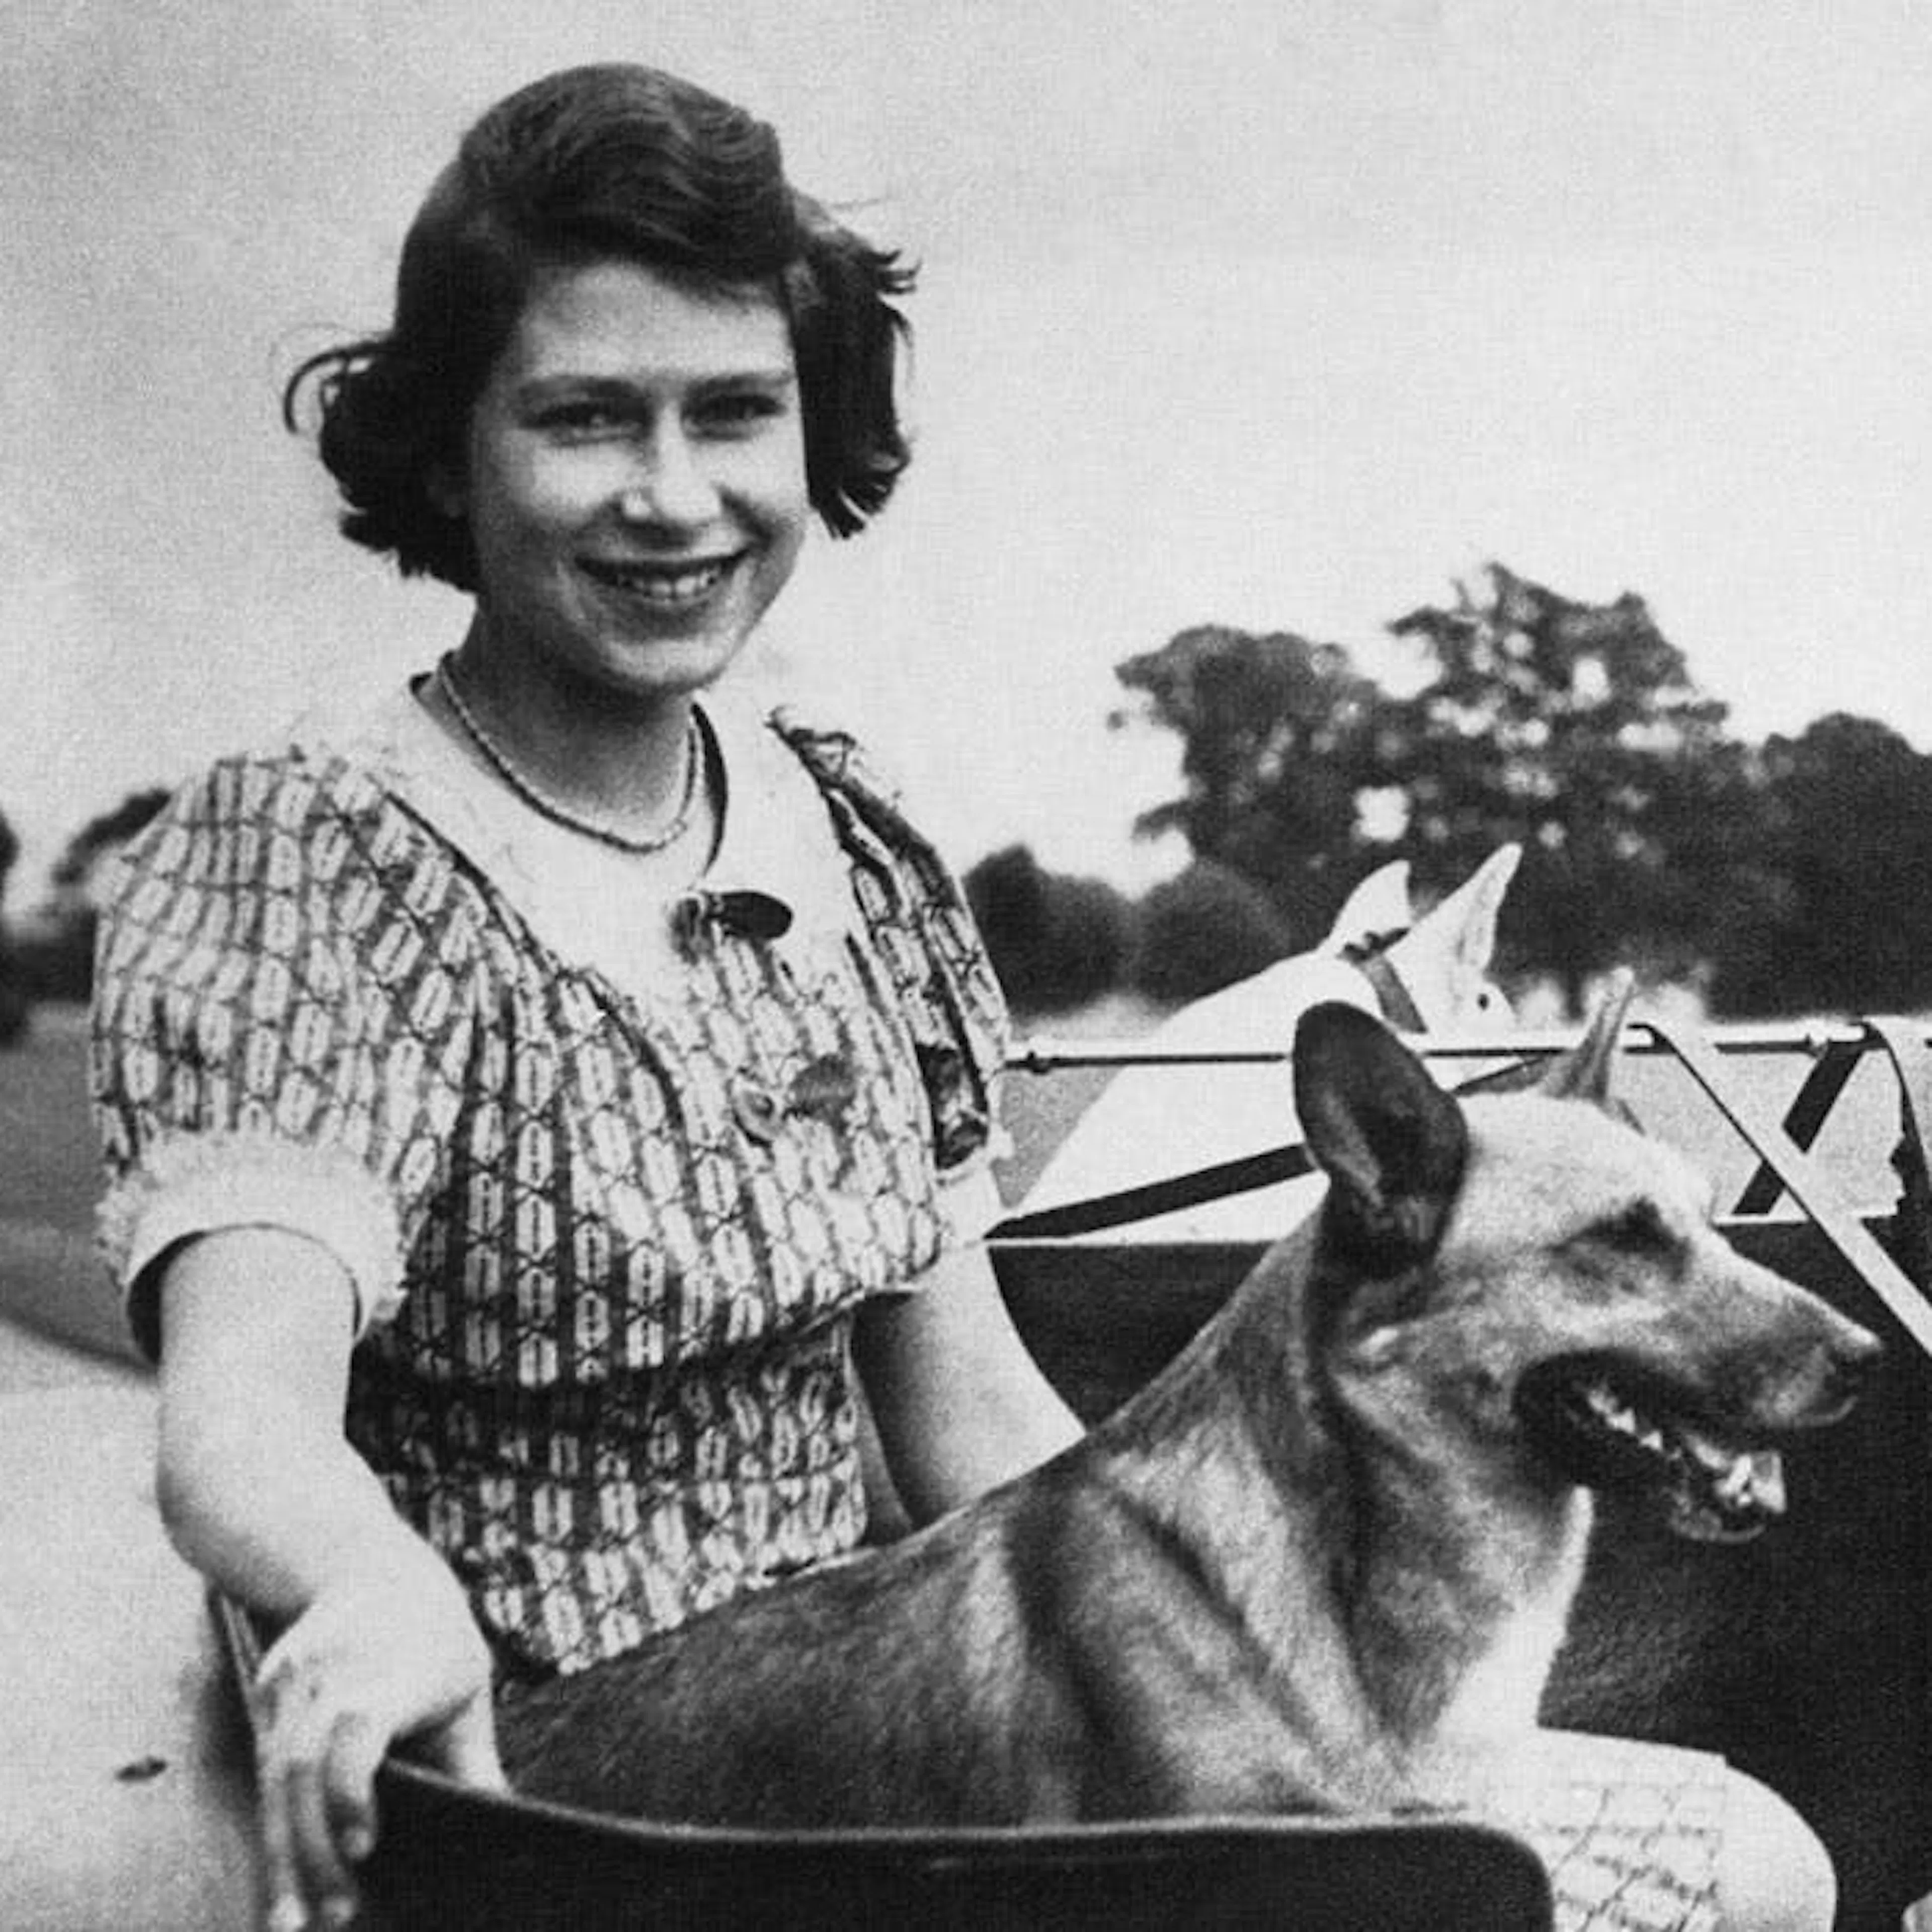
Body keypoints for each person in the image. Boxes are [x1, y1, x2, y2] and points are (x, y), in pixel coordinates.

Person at [90, 61, 1831, 1932]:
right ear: (450, 449)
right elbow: (240, 1414)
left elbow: (967, 1415)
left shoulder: (846, 846)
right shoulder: (311, 858)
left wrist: (1272, 1653)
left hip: (881, 1756)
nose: (673, 497)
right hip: (541, 1808)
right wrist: (368, 1585)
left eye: (735, 413)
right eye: (587, 417)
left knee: (1749, 1866)